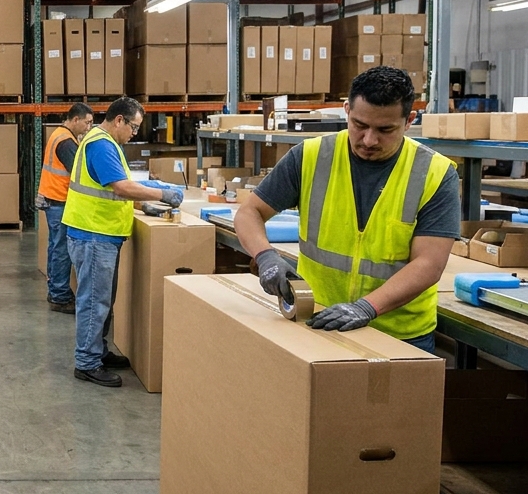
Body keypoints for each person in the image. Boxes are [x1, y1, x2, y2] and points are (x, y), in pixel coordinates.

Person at [234, 66, 460, 354]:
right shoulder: (311, 157)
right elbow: (250, 212)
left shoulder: (434, 173)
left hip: (398, 335)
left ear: (409, 120)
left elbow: (429, 263)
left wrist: (367, 307)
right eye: (360, 125)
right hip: (318, 321)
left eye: (385, 129)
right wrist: (265, 256)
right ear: (346, 110)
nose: (369, 140)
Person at [64, 97, 184, 388]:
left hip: (100, 233)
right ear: (119, 120)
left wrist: (144, 206)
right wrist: (162, 196)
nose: (134, 133)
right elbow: (121, 187)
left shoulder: (103, 142)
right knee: (95, 301)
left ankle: (98, 351)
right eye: (133, 126)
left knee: (102, 300)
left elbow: (114, 191)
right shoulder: (102, 144)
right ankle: (87, 362)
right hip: (93, 234)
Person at [37, 102, 95, 314]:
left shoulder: (60, 135)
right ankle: (60, 296)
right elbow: (80, 173)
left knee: (56, 247)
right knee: (61, 250)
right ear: (76, 119)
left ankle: (56, 291)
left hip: (53, 199)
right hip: (59, 201)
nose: (89, 127)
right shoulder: (66, 142)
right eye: (87, 123)